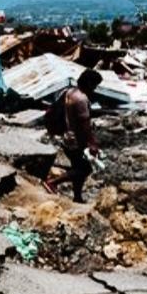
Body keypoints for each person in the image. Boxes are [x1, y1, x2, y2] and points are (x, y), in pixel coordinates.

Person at [43, 69, 103, 203]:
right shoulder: (81, 99)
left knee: (78, 166)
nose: (94, 89)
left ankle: (77, 196)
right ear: (89, 83)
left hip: (67, 136)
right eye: (94, 85)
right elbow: (85, 125)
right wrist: (92, 143)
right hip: (77, 140)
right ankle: (52, 182)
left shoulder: (70, 91)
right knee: (84, 169)